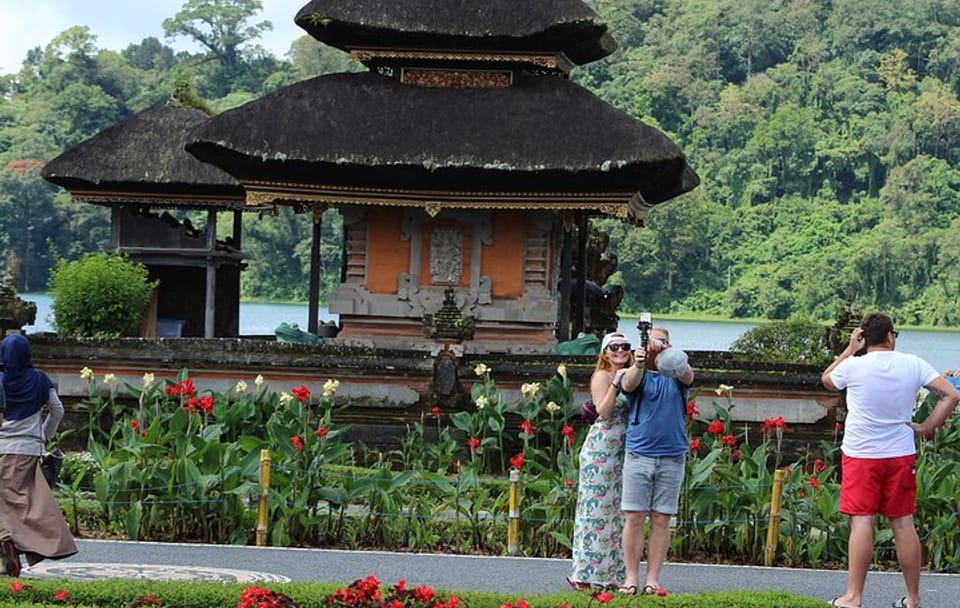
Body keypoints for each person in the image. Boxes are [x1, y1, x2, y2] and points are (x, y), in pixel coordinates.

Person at [821, 312, 958, 608]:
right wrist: (926, 427)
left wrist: (848, 350)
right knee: (903, 524)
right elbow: (951, 395)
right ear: (890, 336)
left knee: (862, 523)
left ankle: (854, 597)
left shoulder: (854, 367)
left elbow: (827, 381)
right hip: (899, 454)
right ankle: (913, 598)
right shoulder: (913, 363)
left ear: (864, 338)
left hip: (861, 455)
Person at [617, 326, 693, 596]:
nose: (656, 344)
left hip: (672, 456)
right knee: (634, 516)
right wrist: (639, 361)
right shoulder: (636, 372)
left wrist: (667, 351)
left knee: (662, 518)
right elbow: (628, 385)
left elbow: (688, 374)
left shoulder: (675, 373)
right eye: (652, 340)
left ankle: (653, 579)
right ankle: (630, 578)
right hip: (639, 454)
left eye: (662, 340)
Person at [0, 334, 78, 578]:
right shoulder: (39, 379)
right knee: (25, 505)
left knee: (5, 504)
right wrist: (42, 437)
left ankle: (7, 551)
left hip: (3, 448)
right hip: (29, 451)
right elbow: (57, 410)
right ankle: (10, 553)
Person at [567, 332, 633, 591]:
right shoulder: (603, 376)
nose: (620, 351)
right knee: (594, 510)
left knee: (617, 513)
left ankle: (613, 575)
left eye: (625, 346)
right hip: (602, 448)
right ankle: (584, 573)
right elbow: (603, 411)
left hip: (623, 449)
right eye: (614, 347)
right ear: (605, 353)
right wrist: (616, 382)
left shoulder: (631, 375)